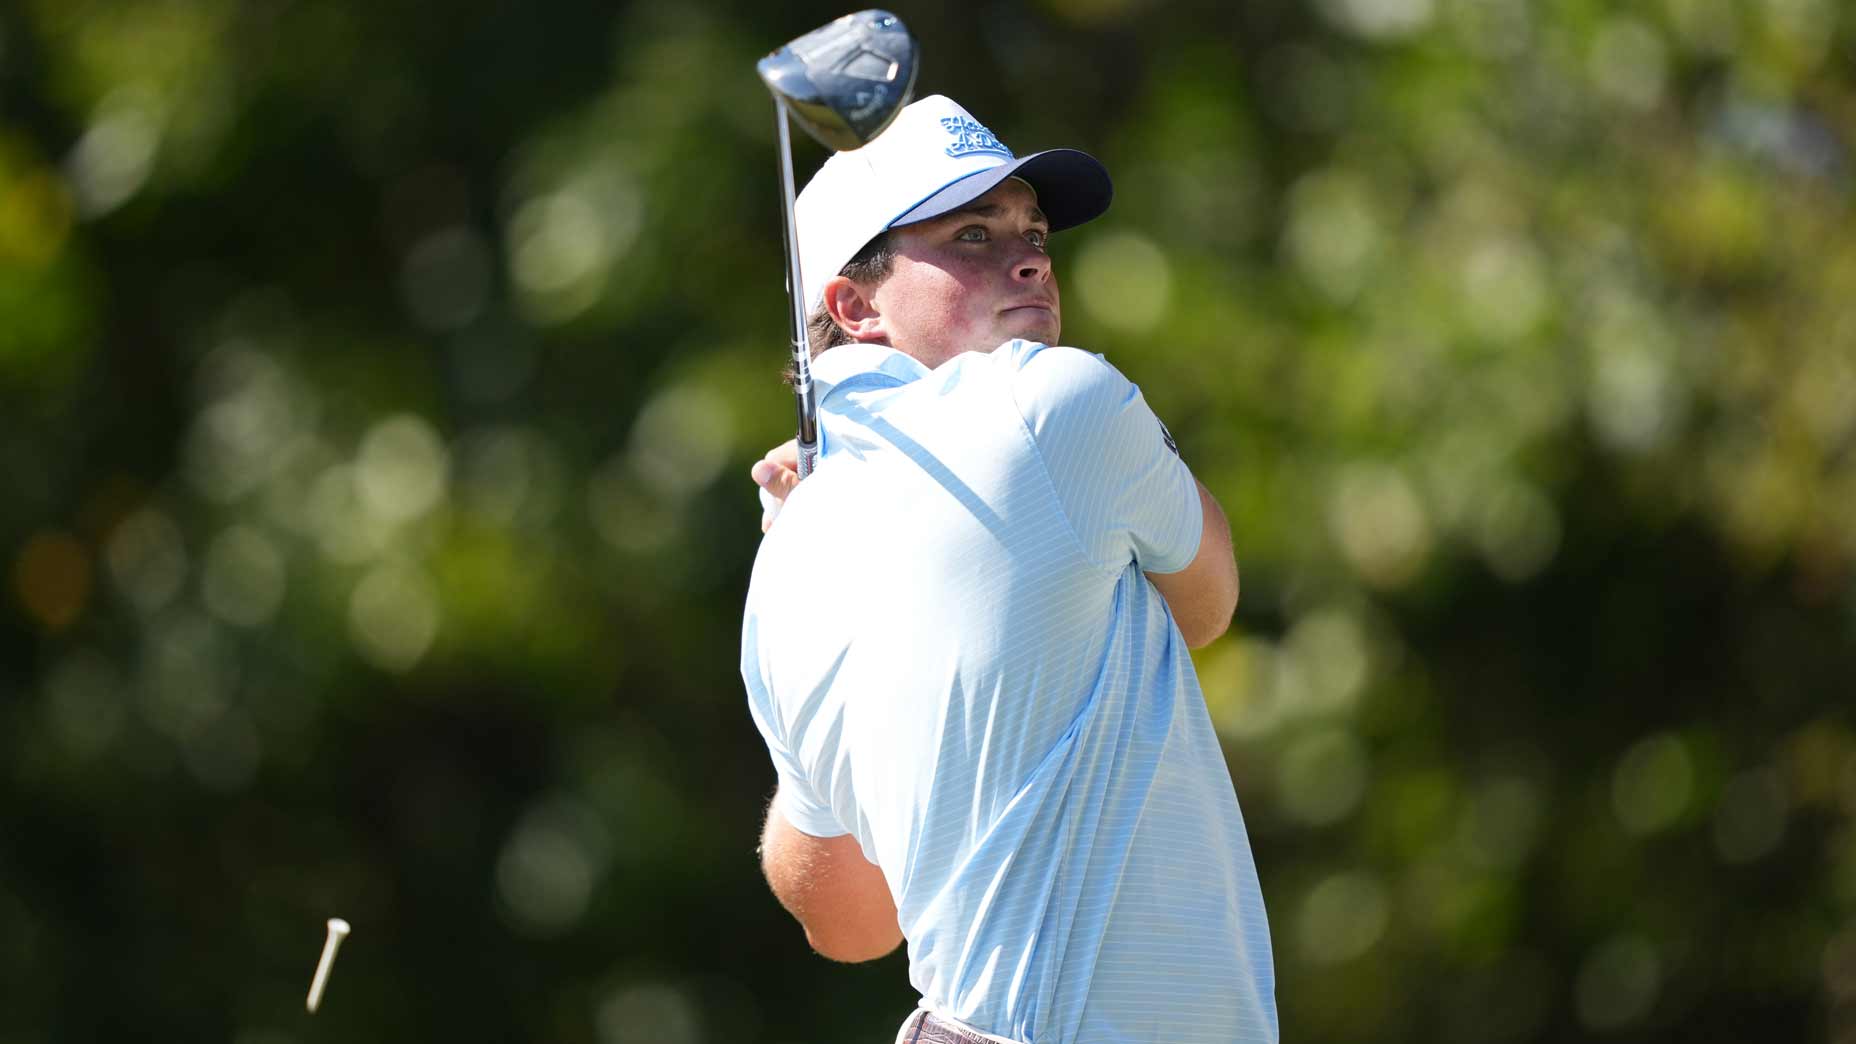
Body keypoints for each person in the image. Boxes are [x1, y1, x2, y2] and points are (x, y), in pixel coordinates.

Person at [740, 95, 1277, 1044]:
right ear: (854, 304)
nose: (1029, 257)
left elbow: (851, 924)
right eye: (974, 235)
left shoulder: (784, 564)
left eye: (1032, 231)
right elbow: (1210, 601)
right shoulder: (1056, 404)